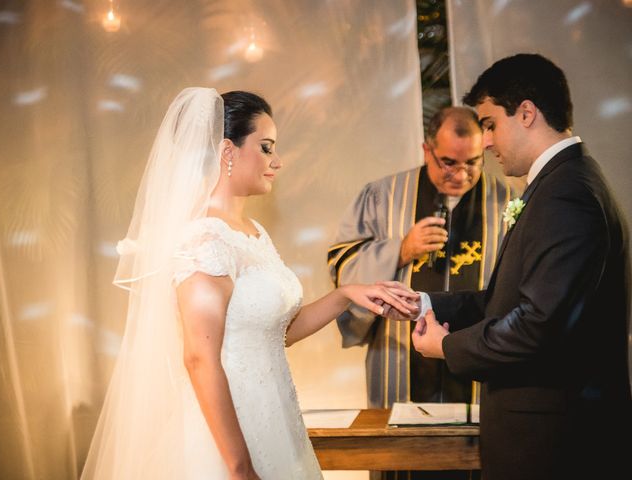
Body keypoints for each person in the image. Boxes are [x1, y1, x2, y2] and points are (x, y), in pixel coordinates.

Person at [80, 88, 418, 480]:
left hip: (275, 422)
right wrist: (239, 468)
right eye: (266, 147)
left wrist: (346, 295)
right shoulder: (204, 240)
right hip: (226, 434)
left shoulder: (252, 232)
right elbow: (199, 358)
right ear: (228, 151)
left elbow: (276, 333)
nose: (277, 161)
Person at [411, 53, 632, 480]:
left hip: (558, 446)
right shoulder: (563, 182)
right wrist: (423, 301)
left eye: (491, 124)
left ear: (527, 113)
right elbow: (505, 300)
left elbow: (540, 325)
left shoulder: (567, 194)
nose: (487, 141)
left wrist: (447, 347)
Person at [328, 106, 515, 480]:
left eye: (472, 163)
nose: (460, 175)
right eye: (448, 162)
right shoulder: (382, 195)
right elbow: (343, 268)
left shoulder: (510, 202)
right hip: (400, 360)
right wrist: (399, 250)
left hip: (477, 366)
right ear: (426, 149)